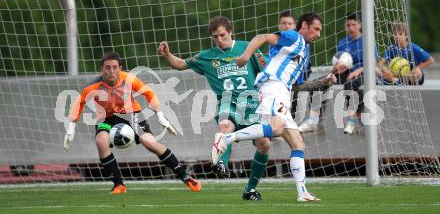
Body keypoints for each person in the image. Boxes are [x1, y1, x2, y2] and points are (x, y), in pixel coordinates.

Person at [212, 12, 322, 202]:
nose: (318, 34)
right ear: (304, 25)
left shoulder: (304, 50)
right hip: (273, 85)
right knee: (276, 129)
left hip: (283, 91)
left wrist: (324, 81)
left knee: (298, 143)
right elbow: (262, 38)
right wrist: (246, 55)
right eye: (316, 28)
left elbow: (297, 85)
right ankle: (227, 138)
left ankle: (302, 192)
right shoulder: (294, 36)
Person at [158, 16, 271, 200]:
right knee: (224, 126)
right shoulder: (207, 56)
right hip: (228, 104)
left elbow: (269, 70)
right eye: (215, 36)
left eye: (222, 35)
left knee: (264, 144)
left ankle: (250, 189)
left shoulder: (247, 49)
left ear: (230, 31)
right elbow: (181, 65)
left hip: (251, 106)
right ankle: (221, 165)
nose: (219, 39)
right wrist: (167, 55)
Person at [63, 52, 201, 194]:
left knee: (150, 143)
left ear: (120, 68)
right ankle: (118, 185)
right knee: (101, 141)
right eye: (107, 67)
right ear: (101, 69)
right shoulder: (92, 86)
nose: (111, 71)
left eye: (114, 67)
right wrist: (71, 127)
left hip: (132, 116)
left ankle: (185, 177)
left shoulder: (128, 79)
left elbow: (149, 93)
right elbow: (79, 103)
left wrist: (160, 116)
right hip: (106, 118)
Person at [298, 12, 367, 134]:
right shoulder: (343, 42)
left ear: (360, 25)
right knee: (318, 83)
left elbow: (373, 63)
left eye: (353, 25)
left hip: (363, 73)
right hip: (345, 73)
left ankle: (353, 120)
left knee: (350, 85)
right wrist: (336, 69)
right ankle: (314, 120)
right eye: (348, 25)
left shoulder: (366, 41)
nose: (350, 28)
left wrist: (357, 70)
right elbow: (338, 62)